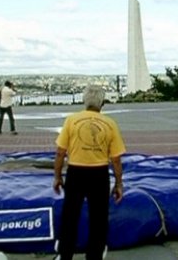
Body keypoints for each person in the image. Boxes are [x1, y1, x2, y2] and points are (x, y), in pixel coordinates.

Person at [53, 85, 126, 260]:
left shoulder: (71, 120)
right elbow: (115, 159)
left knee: (70, 216)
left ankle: (65, 255)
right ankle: (94, 256)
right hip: (99, 174)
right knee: (99, 219)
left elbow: (60, 152)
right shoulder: (110, 124)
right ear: (102, 103)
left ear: (84, 101)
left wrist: (57, 176)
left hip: (75, 173)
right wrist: (118, 183)